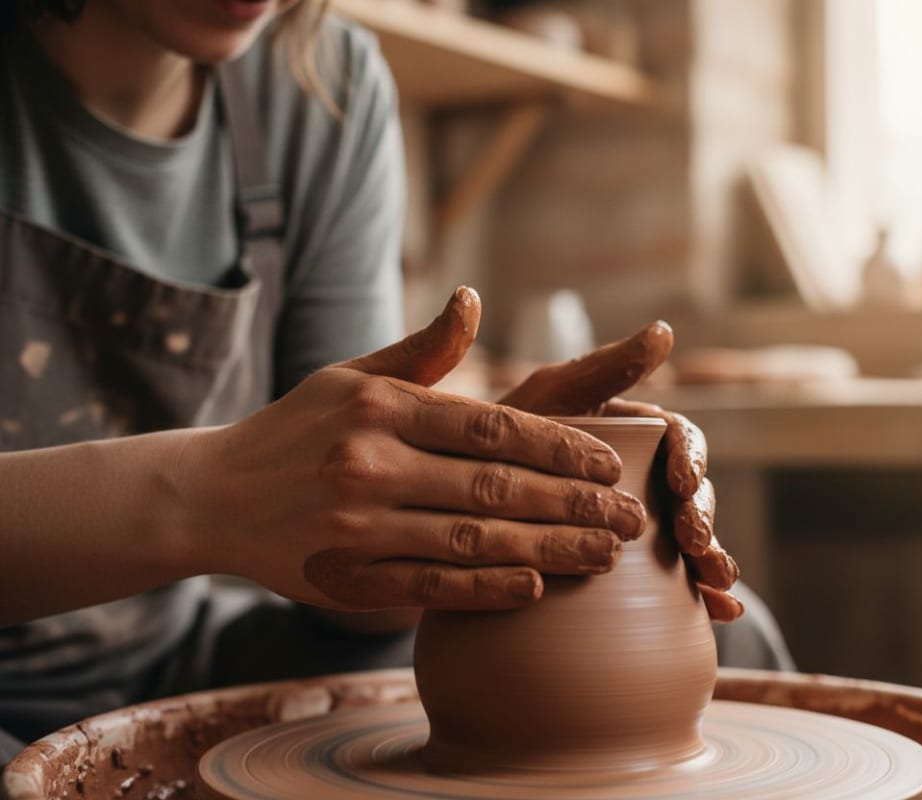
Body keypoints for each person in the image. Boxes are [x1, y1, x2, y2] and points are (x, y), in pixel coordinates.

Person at [0, 0, 794, 763]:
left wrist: (465, 493)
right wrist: (211, 497)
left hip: (185, 651)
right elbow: (243, 497)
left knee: (731, 635)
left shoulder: (319, 82)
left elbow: (342, 567)